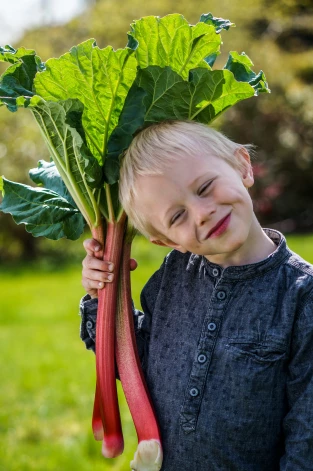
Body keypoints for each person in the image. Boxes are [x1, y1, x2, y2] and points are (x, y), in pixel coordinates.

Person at [80, 120, 313, 470]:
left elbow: (306, 432)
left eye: (205, 187)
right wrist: (100, 297)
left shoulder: (300, 296)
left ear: (242, 166)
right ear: (167, 241)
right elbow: (135, 361)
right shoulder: (171, 276)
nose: (202, 213)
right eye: (177, 216)